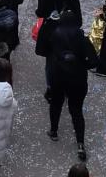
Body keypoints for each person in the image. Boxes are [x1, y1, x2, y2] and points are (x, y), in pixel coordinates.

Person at [36, 9, 97, 160]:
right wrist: (82, 64)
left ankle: (54, 131)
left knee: (56, 104)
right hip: (77, 79)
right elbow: (94, 61)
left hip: (57, 77)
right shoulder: (82, 38)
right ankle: (80, 143)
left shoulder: (54, 36)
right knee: (76, 110)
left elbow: (40, 50)